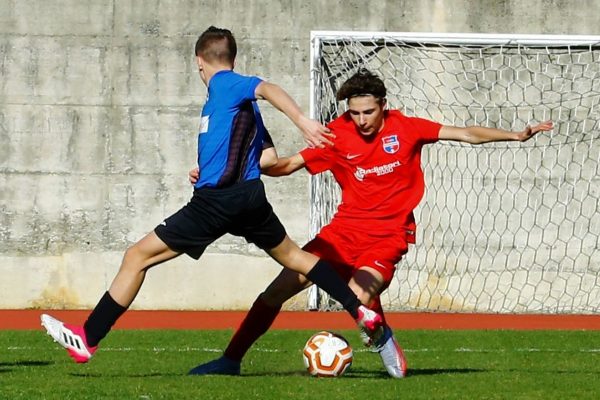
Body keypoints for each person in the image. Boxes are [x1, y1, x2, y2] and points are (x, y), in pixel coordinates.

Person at [40, 27, 385, 367]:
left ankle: (88, 339)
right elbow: (266, 157)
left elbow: (266, 87)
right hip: (249, 199)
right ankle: (360, 311)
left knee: (136, 257)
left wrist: (302, 121)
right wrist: (207, 168)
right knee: (295, 257)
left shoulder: (224, 83)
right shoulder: (239, 108)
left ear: (199, 62)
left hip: (216, 202)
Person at [187, 69, 554, 378]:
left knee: (357, 298)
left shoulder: (406, 128)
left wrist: (516, 135)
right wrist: (223, 172)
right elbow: (285, 166)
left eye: (368, 112)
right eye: (355, 113)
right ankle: (230, 359)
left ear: (383, 106)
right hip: (339, 235)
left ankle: (380, 336)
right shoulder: (337, 132)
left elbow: (465, 133)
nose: (361, 120)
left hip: (387, 236)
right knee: (274, 293)